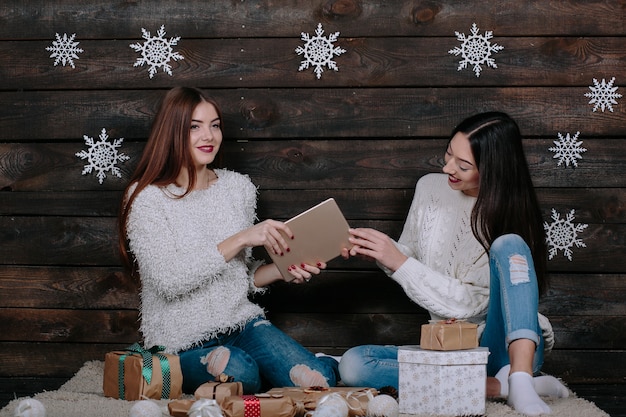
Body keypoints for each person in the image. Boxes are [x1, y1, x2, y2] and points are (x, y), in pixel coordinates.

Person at [338, 112, 569, 416]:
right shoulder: (429, 188)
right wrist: (382, 253)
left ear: (493, 170)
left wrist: (400, 262)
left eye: (463, 165)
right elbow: (410, 255)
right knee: (354, 366)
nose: (448, 168)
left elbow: (469, 305)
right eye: (449, 154)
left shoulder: (509, 215)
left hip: (502, 349)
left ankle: (521, 379)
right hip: (446, 348)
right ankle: (500, 388)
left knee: (509, 244)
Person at [118, 87, 338, 394]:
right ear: (172, 132)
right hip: (182, 341)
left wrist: (282, 270)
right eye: (194, 126)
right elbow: (168, 280)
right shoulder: (146, 198)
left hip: (244, 326)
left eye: (215, 125)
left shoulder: (238, 188)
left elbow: (238, 277)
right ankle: (251, 370)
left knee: (319, 381)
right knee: (240, 371)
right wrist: (240, 238)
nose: (208, 136)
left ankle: (310, 363)